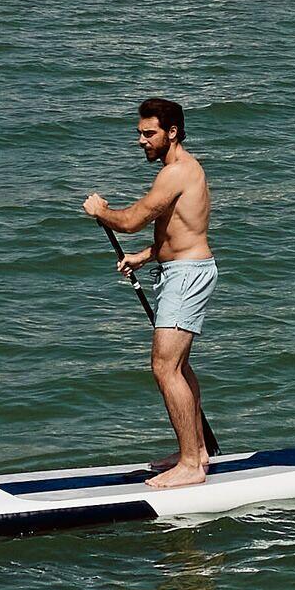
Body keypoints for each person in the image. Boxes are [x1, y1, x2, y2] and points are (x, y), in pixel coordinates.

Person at [83, 95, 222, 485]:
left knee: (164, 366)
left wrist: (101, 212)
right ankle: (197, 452)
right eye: (139, 133)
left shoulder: (176, 173)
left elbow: (131, 220)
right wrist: (146, 257)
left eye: (149, 133)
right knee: (179, 366)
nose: (141, 140)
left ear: (172, 132)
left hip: (187, 276)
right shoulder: (181, 170)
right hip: (181, 269)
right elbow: (180, 229)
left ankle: (192, 468)